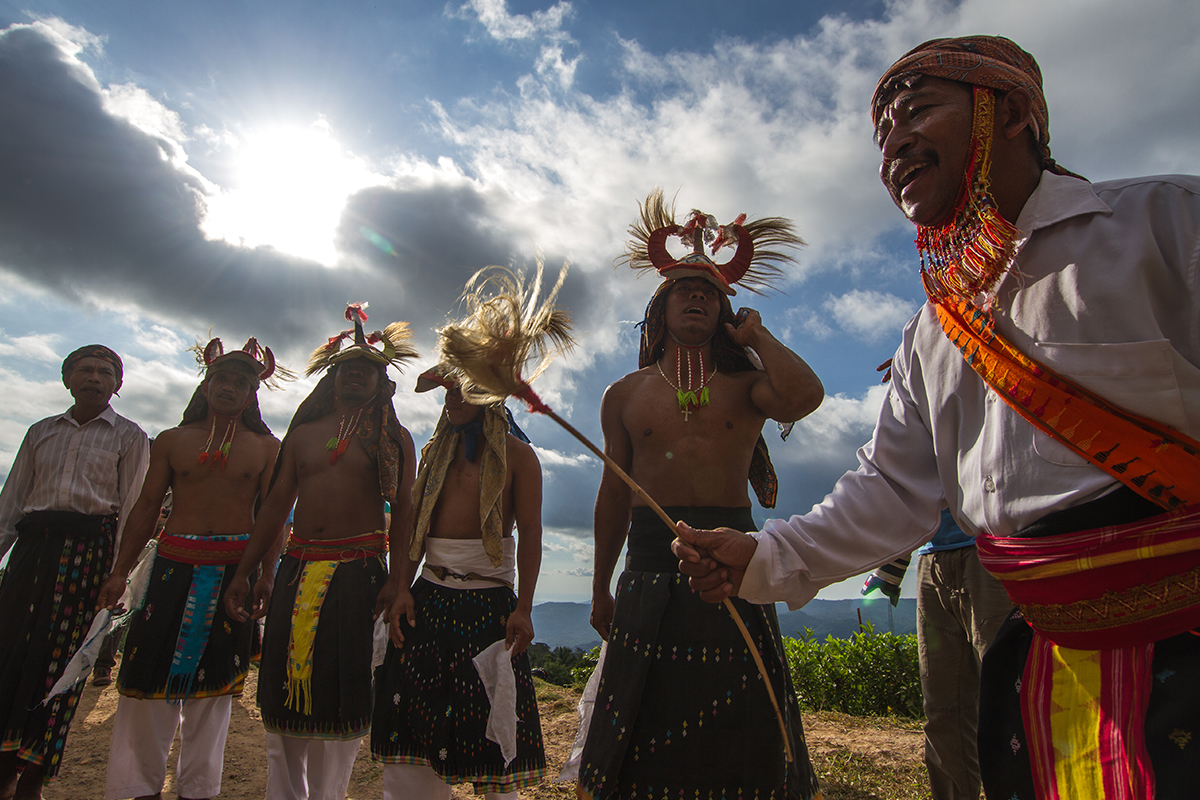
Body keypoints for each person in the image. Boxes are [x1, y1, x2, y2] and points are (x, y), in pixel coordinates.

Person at [673, 36, 1200, 798]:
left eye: (917, 111)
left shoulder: (1167, 224)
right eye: (882, 134)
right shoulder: (934, 334)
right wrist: (762, 556)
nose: (894, 146)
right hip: (1047, 673)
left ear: (1011, 112)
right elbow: (890, 490)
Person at [577, 193, 824, 800]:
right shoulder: (624, 394)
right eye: (684, 291)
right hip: (647, 569)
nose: (696, 298)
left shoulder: (747, 385)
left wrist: (758, 337)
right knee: (645, 726)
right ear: (659, 309)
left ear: (724, 309)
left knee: (743, 723)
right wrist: (600, 586)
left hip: (735, 561)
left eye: (709, 294)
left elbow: (804, 397)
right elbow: (613, 495)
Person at [223, 303, 417, 800]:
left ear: (382, 383)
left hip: (359, 575)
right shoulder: (303, 435)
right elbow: (274, 507)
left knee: (344, 693)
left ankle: (330, 795)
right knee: (282, 693)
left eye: (365, 370)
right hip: (295, 570)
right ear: (331, 378)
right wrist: (247, 571)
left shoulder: (393, 439)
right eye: (346, 368)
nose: (354, 375)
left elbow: (404, 513)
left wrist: (398, 582)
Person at [95, 337, 285, 800]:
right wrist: (120, 572)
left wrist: (266, 575)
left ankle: (198, 790)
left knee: (216, 688)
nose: (230, 387)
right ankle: (137, 788)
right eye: (222, 378)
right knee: (145, 677)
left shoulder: (266, 448)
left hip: (233, 574)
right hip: (171, 568)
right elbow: (145, 508)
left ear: (252, 393)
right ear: (205, 384)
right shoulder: (171, 441)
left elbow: (272, 517)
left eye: (241, 382)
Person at [370, 364, 546, 799]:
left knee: (494, 720)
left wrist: (523, 608)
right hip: (428, 596)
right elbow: (416, 526)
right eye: (448, 392)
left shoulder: (519, 457)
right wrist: (403, 588)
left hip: (490, 602)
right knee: (415, 716)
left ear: (489, 397)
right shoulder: (434, 453)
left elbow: (531, 534)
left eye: (462, 391)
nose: (451, 399)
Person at [0, 345, 149, 799]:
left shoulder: (130, 437)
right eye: (85, 370)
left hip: (88, 560)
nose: (95, 378)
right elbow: (11, 505)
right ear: (67, 379)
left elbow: (132, 510)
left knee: (62, 666)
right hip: (31, 555)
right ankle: (3, 767)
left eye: (105, 372)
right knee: (9, 654)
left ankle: (33, 776)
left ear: (117, 385)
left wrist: (119, 573)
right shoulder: (40, 431)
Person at [861, 508, 1011, 800]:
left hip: (990, 547)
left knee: (1006, 701)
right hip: (932, 558)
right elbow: (913, 492)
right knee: (942, 708)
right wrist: (891, 562)